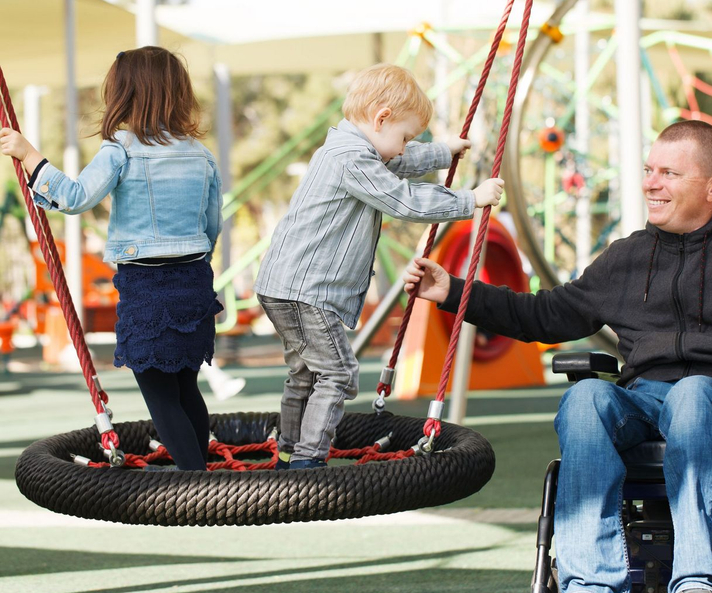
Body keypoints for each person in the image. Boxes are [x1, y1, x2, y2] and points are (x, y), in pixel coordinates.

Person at [404, 120, 712, 593]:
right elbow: (544, 316)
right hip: (645, 399)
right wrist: (453, 291)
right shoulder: (627, 256)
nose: (650, 184)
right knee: (587, 400)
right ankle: (590, 583)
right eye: (648, 169)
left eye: (669, 174)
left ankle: (698, 581)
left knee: (694, 395)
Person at [254, 64, 504, 470]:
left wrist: (443, 151)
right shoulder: (353, 160)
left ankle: (288, 452)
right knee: (337, 373)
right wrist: (469, 200)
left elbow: (396, 159)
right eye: (405, 136)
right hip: (306, 292)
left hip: (283, 286)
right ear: (381, 117)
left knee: (304, 372)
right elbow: (402, 199)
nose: (406, 147)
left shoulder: (346, 147)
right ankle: (306, 463)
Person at [1, 46, 223, 472]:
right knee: (185, 387)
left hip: (147, 286)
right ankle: (203, 473)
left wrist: (30, 155)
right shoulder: (200, 153)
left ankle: (196, 481)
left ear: (126, 93)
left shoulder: (121, 149)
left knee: (159, 393)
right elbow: (213, 223)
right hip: (194, 279)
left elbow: (75, 197)